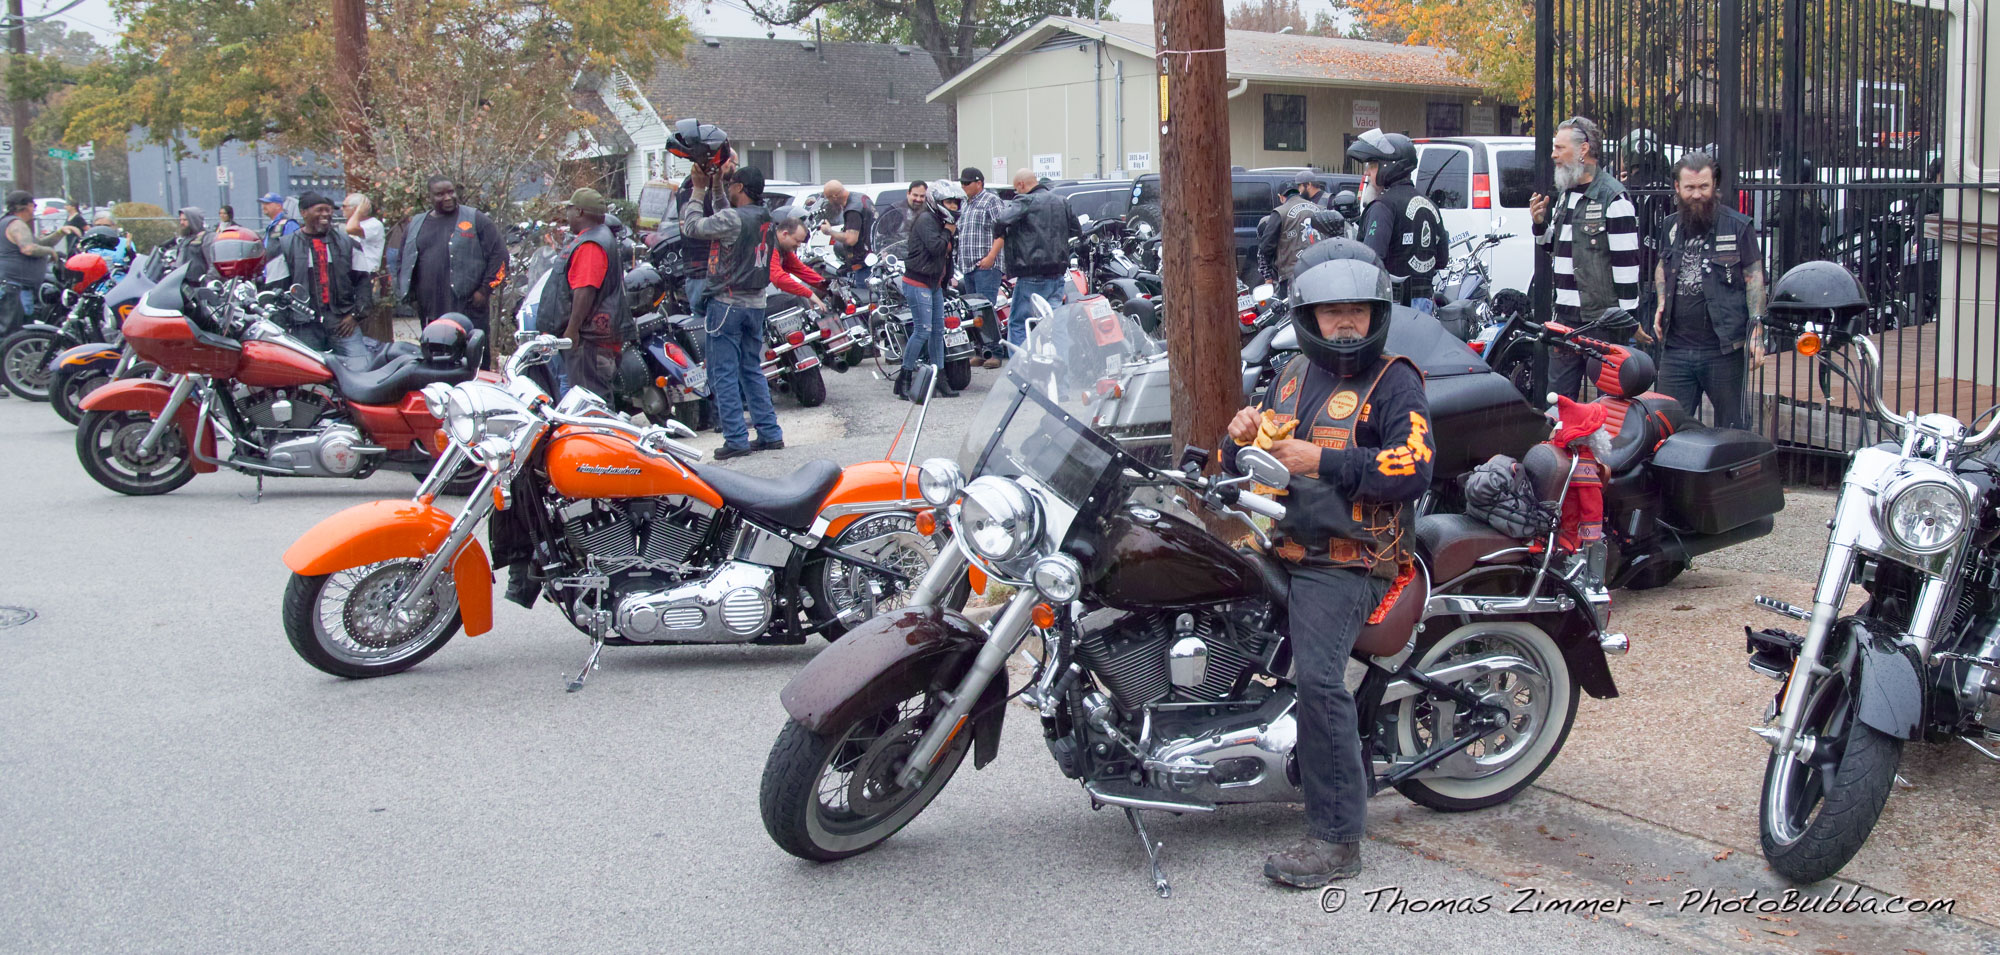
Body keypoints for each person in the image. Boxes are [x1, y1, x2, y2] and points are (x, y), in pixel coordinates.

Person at [1223, 255, 1432, 888]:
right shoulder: (1290, 375)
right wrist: (1239, 436)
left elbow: (1415, 466)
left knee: (1318, 682)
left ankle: (1337, 839)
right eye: (1332, 312)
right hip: (1282, 540)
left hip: (1348, 558)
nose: (1344, 324)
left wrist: (1324, 460)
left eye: (1356, 311)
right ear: (1310, 319)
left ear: (1375, 315)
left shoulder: (1395, 381)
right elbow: (1256, 456)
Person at [1529, 117, 1642, 398]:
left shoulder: (1613, 198)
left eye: (1559, 148)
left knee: (1610, 402)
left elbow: (1627, 267)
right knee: (1558, 402)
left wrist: (1627, 322)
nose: (1553, 155)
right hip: (1565, 319)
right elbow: (1555, 248)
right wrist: (1540, 225)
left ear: (1583, 149)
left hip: (1601, 322)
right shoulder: (1566, 195)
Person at [1653, 152, 1767, 430]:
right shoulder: (1669, 225)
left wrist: (1756, 334)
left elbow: (1754, 279)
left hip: (1724, 349)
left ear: (1715, 185)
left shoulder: (1739, 226)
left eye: (1704, 186)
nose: (1697, 195)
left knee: (1733, 429)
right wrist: (1661, 302)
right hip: (1676, 349)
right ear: (1677, 187)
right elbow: (1662, 266)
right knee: (1664, 428)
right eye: (1690, 187)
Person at [683, 162, 783, 460]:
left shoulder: (732, 219)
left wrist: (698, 190)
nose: (728, 188)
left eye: (730, 184)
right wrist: (716, 188)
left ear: (739, 187)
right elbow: (728, 215)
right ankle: (770, 433)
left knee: (723, 373)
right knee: (751, 369)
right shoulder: (765, 216)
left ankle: (736, 438)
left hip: (727, 303)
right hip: (756, 303)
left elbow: (691, 227)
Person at [395, 177, 507, 363]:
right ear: (429, 197)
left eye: (450, 192)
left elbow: (500, 257)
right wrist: (409, 294)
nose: (447, 197)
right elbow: (402, 261)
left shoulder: (475, 219)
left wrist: (485, 290)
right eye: (440, 194)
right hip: (431, 310)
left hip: (469, 309)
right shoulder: (416, 224)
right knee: (436, 362)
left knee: (474, 362)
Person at [537, 188, 630, 403]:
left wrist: (572, 330)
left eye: (569, 209)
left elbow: (585, 290)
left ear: (579, 212)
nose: (567, 214)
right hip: (593, 338)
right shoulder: (597, 237)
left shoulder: (591, 244)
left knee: (591, 402)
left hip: (589, 340)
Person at [265, 192, 375, 360]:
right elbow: (276, 290)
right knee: (308, 372)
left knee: (361, 367)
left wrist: (355, 315)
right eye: (319, 210)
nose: (325, 214)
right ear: (303, 212)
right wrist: (284, 326)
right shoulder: (284, 246)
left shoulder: (349, 244)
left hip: (343, 323)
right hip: (303, 327)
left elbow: (363, 282)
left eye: (328, 210)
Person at [1346, 129, 1447, 312]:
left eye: (1373, 165)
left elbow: (1370, 258)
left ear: (1389, 166)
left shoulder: (1383, 206)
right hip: (1425, 304)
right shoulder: (1430, 205)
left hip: (1394, 305)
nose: (1367, 172)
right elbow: (1442, 260)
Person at [995, 169, 1081, 343]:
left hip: (1031, 272)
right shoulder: (1061, 201)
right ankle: (1062, 358)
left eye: (1016, 189)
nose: (1017, 193)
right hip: (1058, 272)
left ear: (1021, 184)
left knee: (1019, 322)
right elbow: (1076, 230)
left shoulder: (1025, 201)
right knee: (1057, 323)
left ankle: (1020, 360)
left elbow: (1001, 221)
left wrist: (1007, 235)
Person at [897, 179, 964, 402]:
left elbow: (947, 256)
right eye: (949, 202)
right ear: (937, 202)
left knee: (937, 332)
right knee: (922, 331)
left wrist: (948, 279)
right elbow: (936, 248)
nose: (953, 206)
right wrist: (948, 232)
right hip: (918, 282)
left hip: (935, 283)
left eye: (956, 203)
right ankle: (904, 378)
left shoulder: (943, 222)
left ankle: (939, 378)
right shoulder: (927, 220)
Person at [954, 167, 1006, 369]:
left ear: (979, 183)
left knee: (985, 309)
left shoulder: (991, 201)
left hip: (986, 265)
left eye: (967, 183)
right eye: (961, 183)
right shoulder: (965, 205)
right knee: (972, 311)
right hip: (968, 266)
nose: (963, 186)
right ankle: (981, 351)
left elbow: (1002, 231)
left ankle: (995, 352)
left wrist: (991, 257)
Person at [0, 190, 55, 334]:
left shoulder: (6, 222)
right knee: (15, 333)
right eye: (33, 206)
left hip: (13, 286)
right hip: (15, 288)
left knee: (15, 331)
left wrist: (61, 233)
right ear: (26, 206)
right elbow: (28, 249)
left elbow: (39, 243)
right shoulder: (16, 224)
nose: (34, 210)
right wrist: (50, 251)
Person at [1257, 186, 1323, 295]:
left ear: (1281, 197)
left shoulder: (1280, 212)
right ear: (1298, 193)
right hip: (1320, 271)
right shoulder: (1319, 208)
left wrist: (1268, 275)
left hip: (1291, 274)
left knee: (1291, 305)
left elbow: (1266, 246)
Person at [675, 174, 717, 318]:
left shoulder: (683, 189)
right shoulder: (711, 191)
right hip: (710, 267)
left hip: (692, 267)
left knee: (699, 319)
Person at [818, 180, 874, 282]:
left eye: (828, 198)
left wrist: (829, 231)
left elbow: (851, 239)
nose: (829, 201)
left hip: (863, 264)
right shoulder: (862, 197)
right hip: (873, 257)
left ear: (835, 196)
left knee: (862, 291)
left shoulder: (852, 210)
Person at [342, 193, 386, 316]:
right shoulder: (354, 223)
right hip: (353, 273)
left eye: (345, 206)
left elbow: (351, 229)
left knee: (362, 311)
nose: (342, 209)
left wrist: (358, 212)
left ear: (357, 208)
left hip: (366, 274)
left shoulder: (373, 224)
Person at [871, 180, 928, 250]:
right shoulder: (895, 211)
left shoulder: (930, 211)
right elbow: (880, 236)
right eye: (915, 195)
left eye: (922, 196)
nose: (918, 199)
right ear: (908, 194)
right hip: (899, 254)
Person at [171, 207, 210, 279]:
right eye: (180, 220)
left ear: (194, 220)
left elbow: (212, 263)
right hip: (181, 281)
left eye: (185, 220)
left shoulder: (206, 237)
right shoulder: (184, 240)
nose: (181, 223)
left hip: (197, 283)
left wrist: (207, 280)